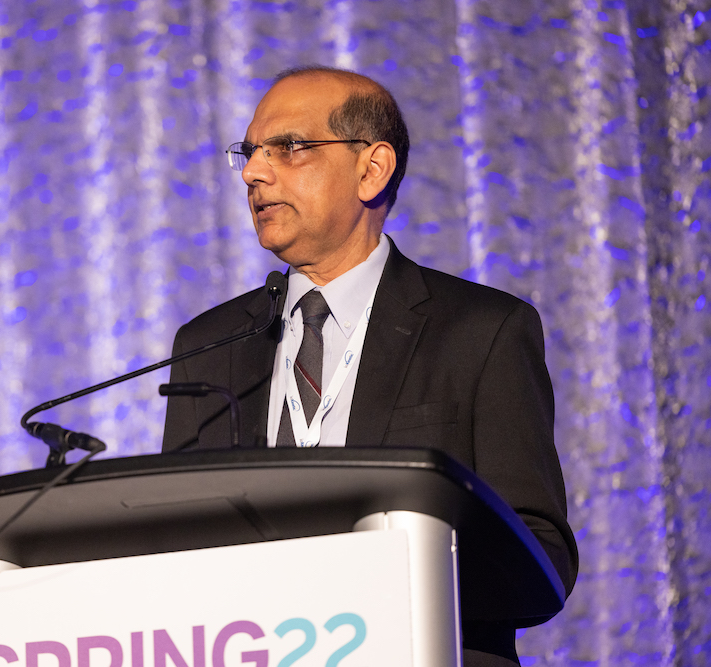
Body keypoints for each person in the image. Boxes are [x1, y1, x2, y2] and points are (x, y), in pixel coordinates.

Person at [161, 66, 577, 665]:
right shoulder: (209, 344)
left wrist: (365, 575)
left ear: (371, 169)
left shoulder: (481, 332)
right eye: (249, 152)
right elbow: (175, 552)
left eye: (289, 147)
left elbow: (540, 562)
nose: (253, 172)